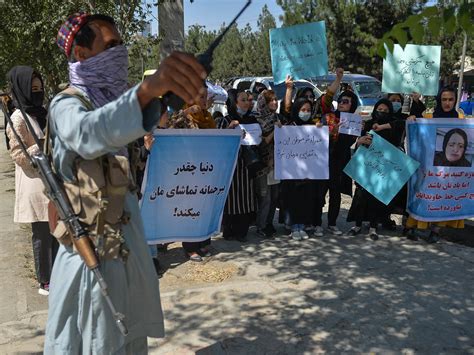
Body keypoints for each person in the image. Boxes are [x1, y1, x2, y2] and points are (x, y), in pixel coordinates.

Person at [44, 12, 206, 353]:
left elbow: (121, 124)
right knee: (96, 342)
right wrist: (147, 90)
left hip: (126, 253)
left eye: (121, 44)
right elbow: (90, 133)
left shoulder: (114, 104)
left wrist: (162, 97)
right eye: (111, 45)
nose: (121, 53)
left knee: (131, 339)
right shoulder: (66, 105)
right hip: (91, 260)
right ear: (81, 54)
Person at [6, 66, 59, 296]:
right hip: (34, 182)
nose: (37, 92)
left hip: (51, 180)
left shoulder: (43, 112)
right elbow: (16, 153)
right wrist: (39, 147)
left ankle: (59, 273)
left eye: (40, 88)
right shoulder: (18, 118)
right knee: (42, 234)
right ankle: (45, 280)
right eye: (32, 89)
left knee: (57, 229)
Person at [405, 86, 465, 243]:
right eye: (444, 99)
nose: (447, 103)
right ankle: (411, 226)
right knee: (423, 193)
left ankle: (436, 231)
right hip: (429, 167)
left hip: (451, 170)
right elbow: (419, 128)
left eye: (451, 99)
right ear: (439, 100)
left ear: (455, 100)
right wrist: (413, 118)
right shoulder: (430, 116)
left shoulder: (461, 119)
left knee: (443, 196)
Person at [347, 99, 404, 241]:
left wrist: (382, 127)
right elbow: (356, 141)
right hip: (365, 165)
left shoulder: (392, 126)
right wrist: (360, 141)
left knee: (375, 197)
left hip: (382, 168)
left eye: (385, 111)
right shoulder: (367, 124)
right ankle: (357, 224)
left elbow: (402, 124)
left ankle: (373, 226)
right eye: (379, 110)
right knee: (360, 195)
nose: (382, 113)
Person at [312, 68, 357, 237]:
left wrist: (355, 138)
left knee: (336, 194)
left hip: (340, 163)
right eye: (342, 100)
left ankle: (331, 223)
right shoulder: (329, 116)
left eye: (347, 101)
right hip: (324, 161)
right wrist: (338, 79)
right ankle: (317, 223)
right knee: (319, 193)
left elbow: (351, 142)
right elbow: (326, 98)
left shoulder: (355, 122)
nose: (344, 103)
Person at [216, 89, 257, 242]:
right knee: (231, 199)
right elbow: (218, 143)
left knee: (245, 198)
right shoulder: (224, 121)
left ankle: (242, 231)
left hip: (247, 166)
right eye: (243, 100)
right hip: (230, 167)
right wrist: (229, 130)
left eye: (248, 100)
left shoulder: (252, 120)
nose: (247, 103)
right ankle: (229, 230)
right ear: (234, 103)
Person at [280, 98, 322, 240]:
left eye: (308, 110)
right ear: (296, 110)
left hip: (308, 171)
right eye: (303, 110)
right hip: (291, 172)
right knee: (292, 198)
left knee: (305, 198)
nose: (306, 113)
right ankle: (293, 226)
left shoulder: (313, 127)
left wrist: (320, 131)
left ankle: (302, 225)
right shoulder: (289, 126)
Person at [255, 90, 282, 238]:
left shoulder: (278, 117)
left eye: (275, 99)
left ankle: (269, 223)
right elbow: (263, 141)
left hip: (277, 164)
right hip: (264, 165)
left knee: (275, 195)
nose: (274, 102)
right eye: (270, 100)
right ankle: (261, 225)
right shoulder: (258, 119)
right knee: (266, 197)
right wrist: (275, 130)